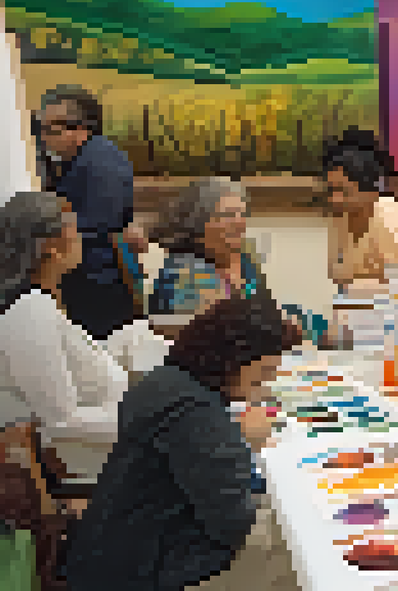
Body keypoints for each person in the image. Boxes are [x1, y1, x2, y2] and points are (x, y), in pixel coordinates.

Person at [66, 292, 299, 591]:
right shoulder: (195, 413)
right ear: (234, 358)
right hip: (149, 570)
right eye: (262, 375)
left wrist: (232, 439)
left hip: (115, 552)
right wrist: (240, 443)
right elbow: (234, 523)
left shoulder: (167, 380)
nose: (265, 384)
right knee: (295, 554)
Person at [0, 191, 128, 588]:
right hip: (79, 467)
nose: (83, 239)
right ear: (51, 246)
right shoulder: (28, 312)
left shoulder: (44, 303)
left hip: (96, 452)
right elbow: (60, 419)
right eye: (75, 230)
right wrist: (144, 419)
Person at [34, 85, 139, 339]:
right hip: (92, 282)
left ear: (80, 129)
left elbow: (93, 229)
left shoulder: (100, 166)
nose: (44, 136)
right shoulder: (85, 159)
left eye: (50, 129)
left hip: (95, 288)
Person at [148, 178, 269, 324]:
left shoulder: (244, 262)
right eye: (228, 215)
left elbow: (266, 310)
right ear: (199, 223)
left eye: (242, 214)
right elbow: (216, 331)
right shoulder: (182, 272)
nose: (240, 223)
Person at [323, 128, 398, 293]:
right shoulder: (339, 218)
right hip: (356, 311)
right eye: (331, 190)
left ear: (369, 191)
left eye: (343, 191)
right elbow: (336, 276)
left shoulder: (387, 216)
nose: (335, 199)